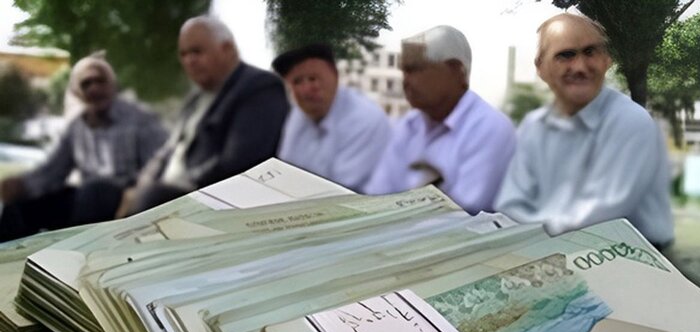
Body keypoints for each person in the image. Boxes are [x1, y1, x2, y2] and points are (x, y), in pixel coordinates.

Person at [494, 13, 674, 248]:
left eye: (590, 52)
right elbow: (511, 201)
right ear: (541, 68)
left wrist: (525, 228)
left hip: (628, 252)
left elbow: (603, 214)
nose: (580, 67)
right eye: (565, 55)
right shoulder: (534, 126)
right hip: (553, 246)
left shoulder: (630, 121)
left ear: (607, 60)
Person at [114, 15, 289, 217]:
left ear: (227, 49)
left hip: (211, 200)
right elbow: (169, 149)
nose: (189, 61)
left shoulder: (259, 87)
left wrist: (182, 183)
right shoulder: (195, 99)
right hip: (167, 192)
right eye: (184, 54)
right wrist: (138, 186)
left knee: (151, 198)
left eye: (197, 52)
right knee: (101, 192)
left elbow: (239, 162)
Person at [0, 55, 167, 241]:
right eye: (86, 83)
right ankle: (8, 253)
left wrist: (136, 193)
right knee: (18, 202)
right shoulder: (76, 127)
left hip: (125, 199)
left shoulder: (140, 119)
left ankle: (78, 248)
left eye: (100, 81)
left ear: (112, 85)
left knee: (96, 190)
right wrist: (22, 185)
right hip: (86, 201)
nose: (94, 88)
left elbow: (161, 164)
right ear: (78, 91)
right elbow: (53, 171)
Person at [363, 25, 516, 215]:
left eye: (415, 69)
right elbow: (377, 196)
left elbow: (463, 214)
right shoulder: (407, 126)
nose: (406, 81)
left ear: (456, 71)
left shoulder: (491, 128)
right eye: (405, 71)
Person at [271, 43, 390, 191]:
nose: (306, 90)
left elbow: (339, 192)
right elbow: (283, 172)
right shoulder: (299, 114)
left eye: (313, 79)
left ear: (335, 76)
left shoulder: (366, 119)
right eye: (297, 82)